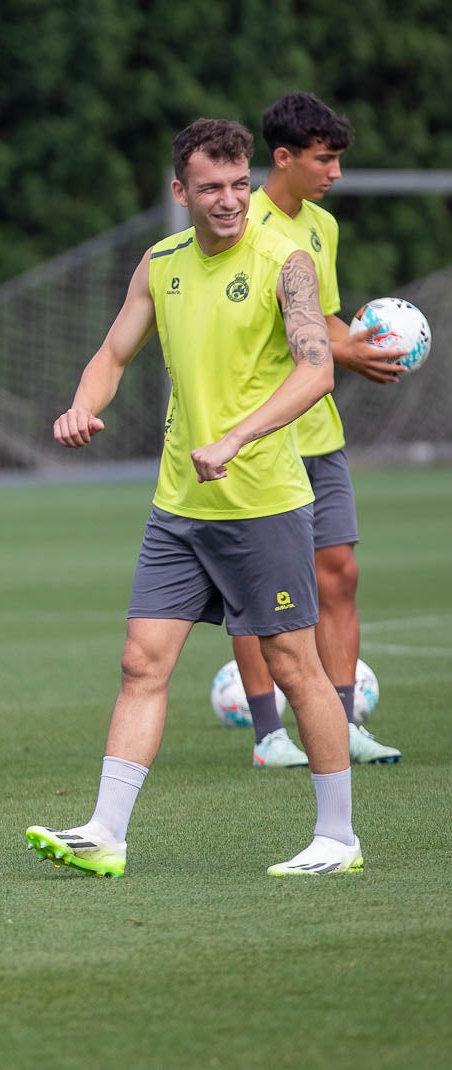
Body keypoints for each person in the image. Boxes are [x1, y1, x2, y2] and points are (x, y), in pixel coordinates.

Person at [26, 119, 360, 878]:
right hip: (180, 505)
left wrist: (237, 439)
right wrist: (83, 404)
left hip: (264, 503)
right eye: (210, 186)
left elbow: (317, 374)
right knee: (140, 661)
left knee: (294, 666)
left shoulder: (288, 262)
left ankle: (339, 838)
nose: (229, 200)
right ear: (180, 192)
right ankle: (106, 833)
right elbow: (112, 353)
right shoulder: (161, 262)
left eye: (239, 184)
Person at [229, 93, 405, 769]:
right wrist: (345, 351)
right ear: (284, 157)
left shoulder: (323, 227)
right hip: (261, 430)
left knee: (340, 574)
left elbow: (325, 321)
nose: (334, 172)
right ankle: (271, 735)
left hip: (318, 432)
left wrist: (359, 344)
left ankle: (343, 718)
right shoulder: (240, 221)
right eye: (324, 159)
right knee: (258, 586)